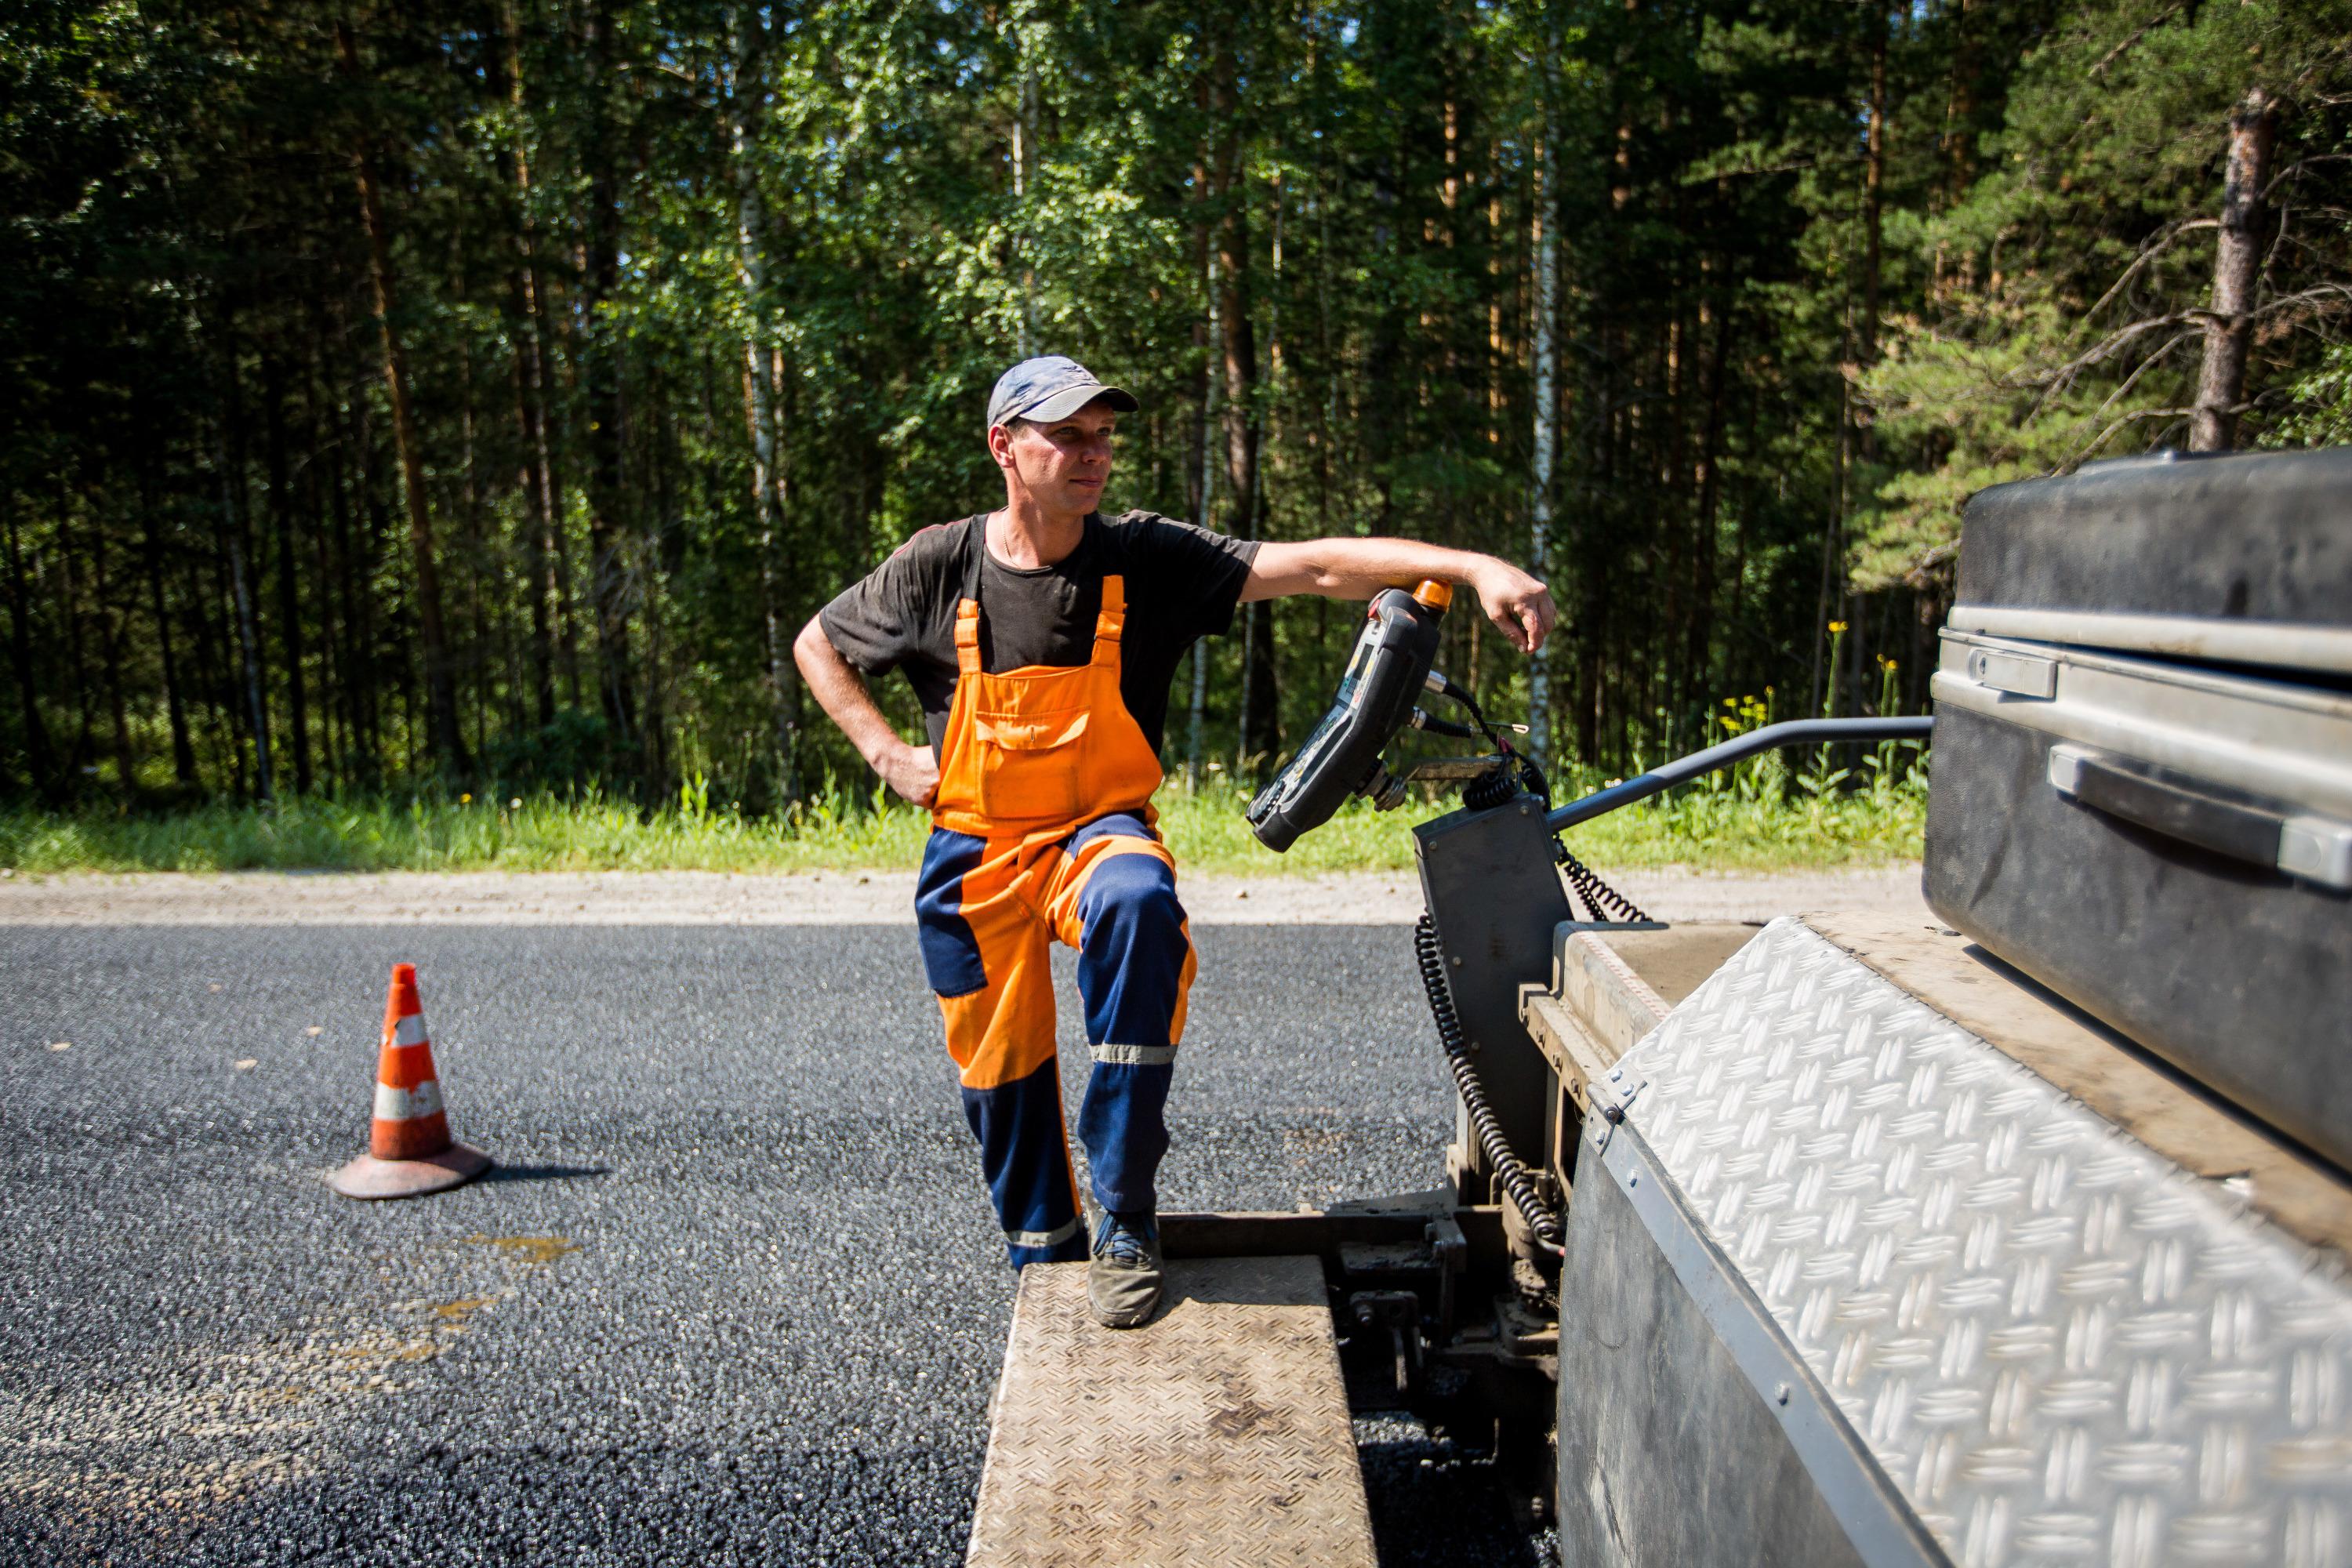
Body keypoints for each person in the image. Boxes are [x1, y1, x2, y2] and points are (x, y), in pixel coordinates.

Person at [795, 355, 1555, 1329]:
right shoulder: (938, 563)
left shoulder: (1144, 556)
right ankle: (1046, 1264)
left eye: (1103, 434)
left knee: (1137, 901)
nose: (1092, 452)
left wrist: (1468, 567)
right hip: (972, 853)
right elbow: (818, 642)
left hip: (1093, 833)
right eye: (1066, 433)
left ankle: (1125, 1217)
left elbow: (1315, 565)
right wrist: (888, 752)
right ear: (1005, 446)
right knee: (1002, 1081)